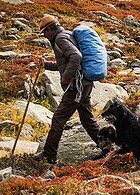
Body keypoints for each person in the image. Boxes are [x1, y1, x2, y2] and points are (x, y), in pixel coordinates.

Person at [37, 14, 106, 165]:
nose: (44, 36)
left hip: (77, 86)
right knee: (86, 118)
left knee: (58, 119)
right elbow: (65, 63)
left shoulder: (60, 39)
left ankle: (49, 156)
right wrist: (47, 64)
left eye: (44, 32)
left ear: (50, 29)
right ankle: (107, 147)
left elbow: (76, 57)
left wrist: (66, 78)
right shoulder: (65, 35)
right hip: (84, 83)